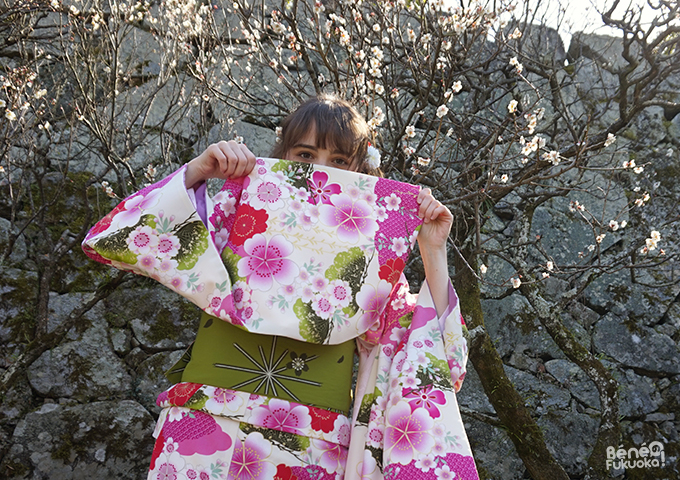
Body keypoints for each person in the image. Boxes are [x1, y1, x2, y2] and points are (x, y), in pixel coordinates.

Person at [83, 94, 478, 480]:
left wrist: (433, 249)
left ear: (361, 170)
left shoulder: (375, 253)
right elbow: (116, 237)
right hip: (204, 421)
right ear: (283, 154)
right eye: (305, 156)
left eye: (339, 161)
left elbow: (437, 359)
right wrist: (197, 171)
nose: (320, 172)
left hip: (313, 443)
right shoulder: (239, 206)